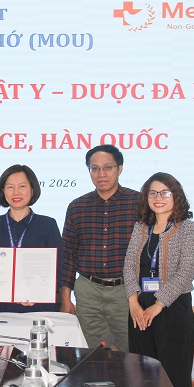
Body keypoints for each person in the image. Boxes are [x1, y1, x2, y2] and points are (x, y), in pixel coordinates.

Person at [123, 172, 194, 387]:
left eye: (165, 192)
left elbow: (186, 271)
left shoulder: (187, 228)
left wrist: (158, 305)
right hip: (140, 310)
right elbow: (129, 265)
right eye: (153, 193)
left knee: (173, 375)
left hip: (172, 308)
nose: (158, 198)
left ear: (176, 196)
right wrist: (133, 302)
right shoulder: (141, 227)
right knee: (143, 374)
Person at [59, 144, 139, 351]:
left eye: (108, 167)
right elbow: (68, 255)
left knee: (131, 352)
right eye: (94, 168)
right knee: (91, 354)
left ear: (120, 168)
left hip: (126, 291)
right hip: (89, 291)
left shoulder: (139, 203)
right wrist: (65, 298)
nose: (101, 174)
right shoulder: (77, 207)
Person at [0, 164, 62, 313]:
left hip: (38, 306)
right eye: (10, 187)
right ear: (3, 191)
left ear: (32, 190)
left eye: (22, 186)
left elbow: (58, 268)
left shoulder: (48, 225)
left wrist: (41, 293)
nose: (16, 192)